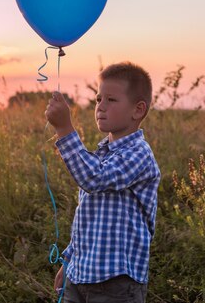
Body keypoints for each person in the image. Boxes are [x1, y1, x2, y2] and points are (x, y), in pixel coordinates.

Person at [45, 61, 161, 303]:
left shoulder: (139, 154)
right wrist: (69, 261)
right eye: (98, 99)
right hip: (79, 276)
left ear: (138, 110)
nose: (101, 107)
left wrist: (65, 129)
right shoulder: (100, 155)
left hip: (116, 283)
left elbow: (94, 179)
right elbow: (87, 220)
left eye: (111, 100)